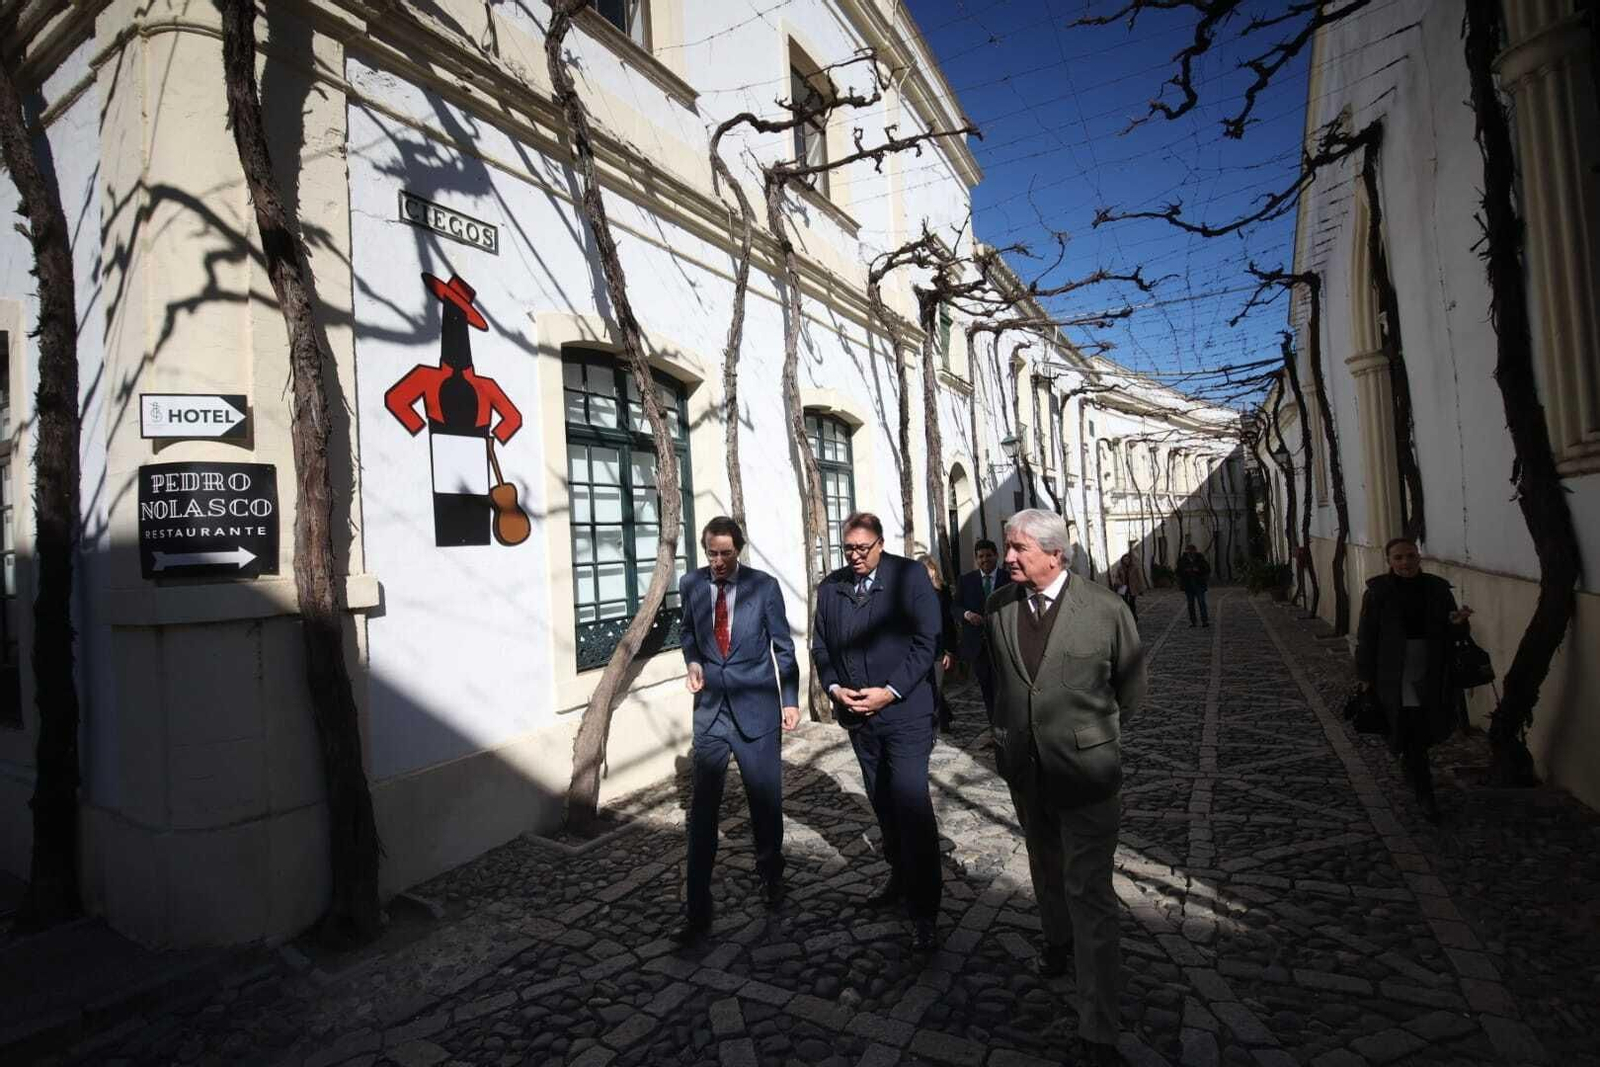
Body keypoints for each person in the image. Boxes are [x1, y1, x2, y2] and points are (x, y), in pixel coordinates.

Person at [986, 510, 1145, 1066]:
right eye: (1009, 546)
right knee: (1043, 865)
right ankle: (1056, 942)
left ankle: (1098, 1027)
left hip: (1087, 776)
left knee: (1090, 893)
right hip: (1026, 772)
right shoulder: (999, 606)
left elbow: (1131, 687)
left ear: (1055, 554)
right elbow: (996, 682)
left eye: (1018, 547)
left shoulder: (1105, 610)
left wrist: (1087, 736)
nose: (1008, 556)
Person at [812, 512, 943, 951]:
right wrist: (834, 688)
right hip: (858, 719)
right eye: (848, 548)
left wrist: (890, 691)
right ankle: (899, 878)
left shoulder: (909, 578)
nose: (854, 557)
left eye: (862, 549)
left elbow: (928, 642)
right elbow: (820, 646)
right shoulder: (832, 587)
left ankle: (926, 911)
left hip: (905, 715)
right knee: (882, 802)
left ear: (880, 544)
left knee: (911, 803)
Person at [675, 516, 801, 942]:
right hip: (711, 713)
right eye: (711, 553)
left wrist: (789, 700)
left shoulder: (763, 587)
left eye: (725, 554)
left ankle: (770, 873)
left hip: (757, 712)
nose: (717, 562)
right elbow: (688, 633)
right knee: (702, 811)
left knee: (764, 801)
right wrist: (692, 661)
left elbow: (782, 646)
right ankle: (697, 906)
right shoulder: (691, 585)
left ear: (738, 551)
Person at [1354, 537, 1473, 823]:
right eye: (1398, 558)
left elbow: (1453, 631)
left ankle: (1413, 768)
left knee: (1423, 725)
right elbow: (1367, 636)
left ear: (1418, 557)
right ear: (1389, 561)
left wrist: (1459, 623)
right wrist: (1365, 677)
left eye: (1410, 556)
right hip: (1394, 669)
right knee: (1408, 726)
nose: (1405, 562)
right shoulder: (1378, 591)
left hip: (1430, 666)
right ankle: (1424, 791)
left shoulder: (1437, 588)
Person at [956, 539, 1011, 718]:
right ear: (976, 559)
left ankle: (1008, 727)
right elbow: (955, 607)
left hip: (1004, 644)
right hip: (978, 646)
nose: (985, 560)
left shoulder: (1009, 579)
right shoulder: (966, 581)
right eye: (980, 556)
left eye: (988, 555)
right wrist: (967, 615)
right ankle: (994, 729)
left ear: (996, 555)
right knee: (986, 688)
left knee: (1006, 688)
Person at [916, 554, 960, 732]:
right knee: (927, 688)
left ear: (933, 570)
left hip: (939, 647)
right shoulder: (915, 592)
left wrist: (950, 650)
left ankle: (937, 722)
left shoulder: (943, 591)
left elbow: (949, 622)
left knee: (937, 686)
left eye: (927, 570)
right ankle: (942, 718)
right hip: (921, 647)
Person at [1176, 542, 1211, 628]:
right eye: (1189, 551)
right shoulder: (1182, 560)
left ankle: (1204, 621)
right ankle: (1193, 621)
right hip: (1188, 585)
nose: (1191, 553)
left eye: (1192, 551)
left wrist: (1198, 570)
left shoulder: (1200, 558)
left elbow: (1207, 569)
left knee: (1201, 602)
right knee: (1190, 604)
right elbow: (1178, 571)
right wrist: (1186, 571)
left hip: (1199, 584)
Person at [1111, 551, 1147, 622]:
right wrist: (1119, 582)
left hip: (1132, 588)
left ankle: (1134, 616)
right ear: (1122, 560)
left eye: (1127, 559)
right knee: (1125, 603)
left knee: (1132, 603)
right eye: (1125, 559)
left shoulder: (1135, 567)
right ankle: (1128, 617)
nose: (1126, 561)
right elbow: (1117, 577)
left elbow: (1139, 577)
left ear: (1130, 560)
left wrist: (1141, 588)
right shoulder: (1120, 568)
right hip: (1123, 588)